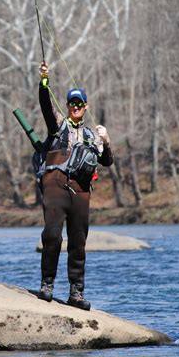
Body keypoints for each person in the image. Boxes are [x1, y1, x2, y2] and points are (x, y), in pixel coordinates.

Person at [36, 61, 113, 310]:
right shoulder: (58, 126)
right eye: (72, 103)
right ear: (68, 106)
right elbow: (47, 107)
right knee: (52, 236)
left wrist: (107, 142)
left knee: (78, 243)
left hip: (81, 193)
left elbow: (107, 161)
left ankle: (76, 293)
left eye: (80, 104)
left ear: (86, 106)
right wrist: (44, 80)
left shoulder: (92, 135)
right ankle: (47, 284)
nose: (76, 107)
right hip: (56, 188)